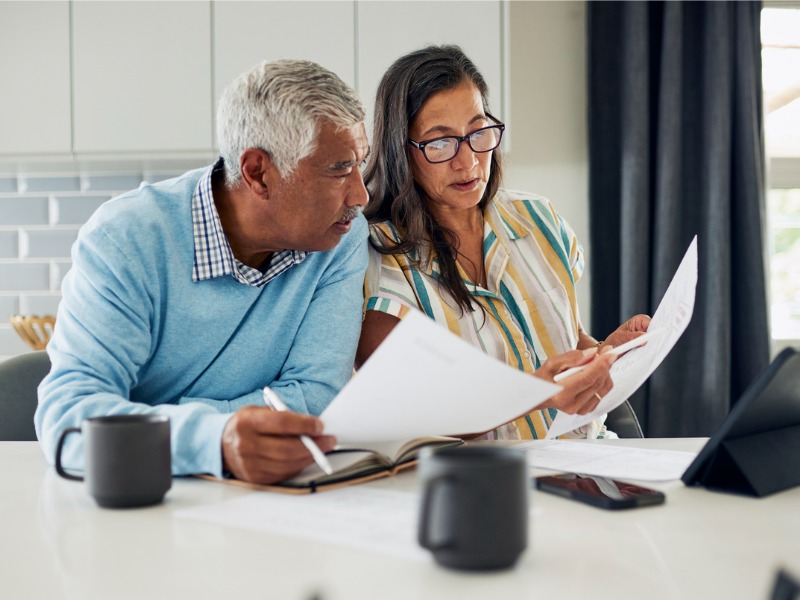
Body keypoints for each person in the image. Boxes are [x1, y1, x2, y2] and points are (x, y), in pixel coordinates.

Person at [36, 59, 370, 484]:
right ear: (258, 173)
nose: (360, 194)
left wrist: (161, 427)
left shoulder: (340, 236)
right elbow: (70, 419)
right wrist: (215, 440)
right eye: (339, 169)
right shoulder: (126, 239)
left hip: (267, 500)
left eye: (360, 163)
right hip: (142, 498)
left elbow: (315, 400)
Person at [356, 45, 650, 439]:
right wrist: (537, 394)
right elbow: (410, 414)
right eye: (440, 143)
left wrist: (605, 354)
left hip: (590, 462)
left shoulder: (539, 219)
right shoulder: (375, 260)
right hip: (483, 485)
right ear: (401, 150)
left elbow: (567, 337)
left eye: (478, 132)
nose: (468, 162)